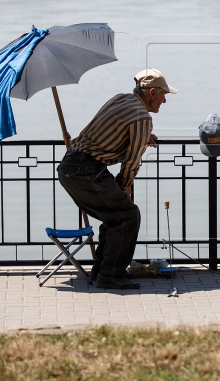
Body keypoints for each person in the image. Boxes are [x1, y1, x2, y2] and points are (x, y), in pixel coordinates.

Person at [57, 68, 177, 289]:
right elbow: (131, 162)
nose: (164, 101)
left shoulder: (121, 99)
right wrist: (124, 185)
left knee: (114, 217)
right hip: (85, 170)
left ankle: (102, 272)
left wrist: (141, 136)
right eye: (164, 95)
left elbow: (108, 129)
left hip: (72, 166)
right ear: (152, 92)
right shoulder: (142, 117)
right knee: (127, 215)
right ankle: (110, 276)